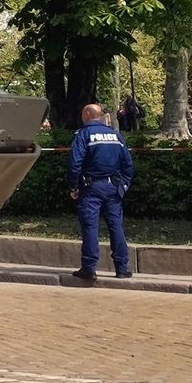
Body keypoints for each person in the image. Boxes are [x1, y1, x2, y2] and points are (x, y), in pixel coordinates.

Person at [68, 103, 135, 280]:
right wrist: (124, 185)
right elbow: (127, 164)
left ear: (88, 114)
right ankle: (122, 268)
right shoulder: (115, 135)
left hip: (91, 188)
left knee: (90, 227)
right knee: (116, 227)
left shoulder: (83, 134)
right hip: (113, 188)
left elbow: (75, 163)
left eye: (83, 113)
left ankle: (89, 268)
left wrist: (73, 186)